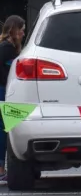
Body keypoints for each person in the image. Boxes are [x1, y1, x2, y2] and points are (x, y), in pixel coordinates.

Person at [0, 15, 26, 183]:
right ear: (14, 30)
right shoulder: (6, 48)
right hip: (2, 90)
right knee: (4, 130)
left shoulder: (6, 47)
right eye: (21, 30)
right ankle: (1, 169)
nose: (23, 33)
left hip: (4, 90)